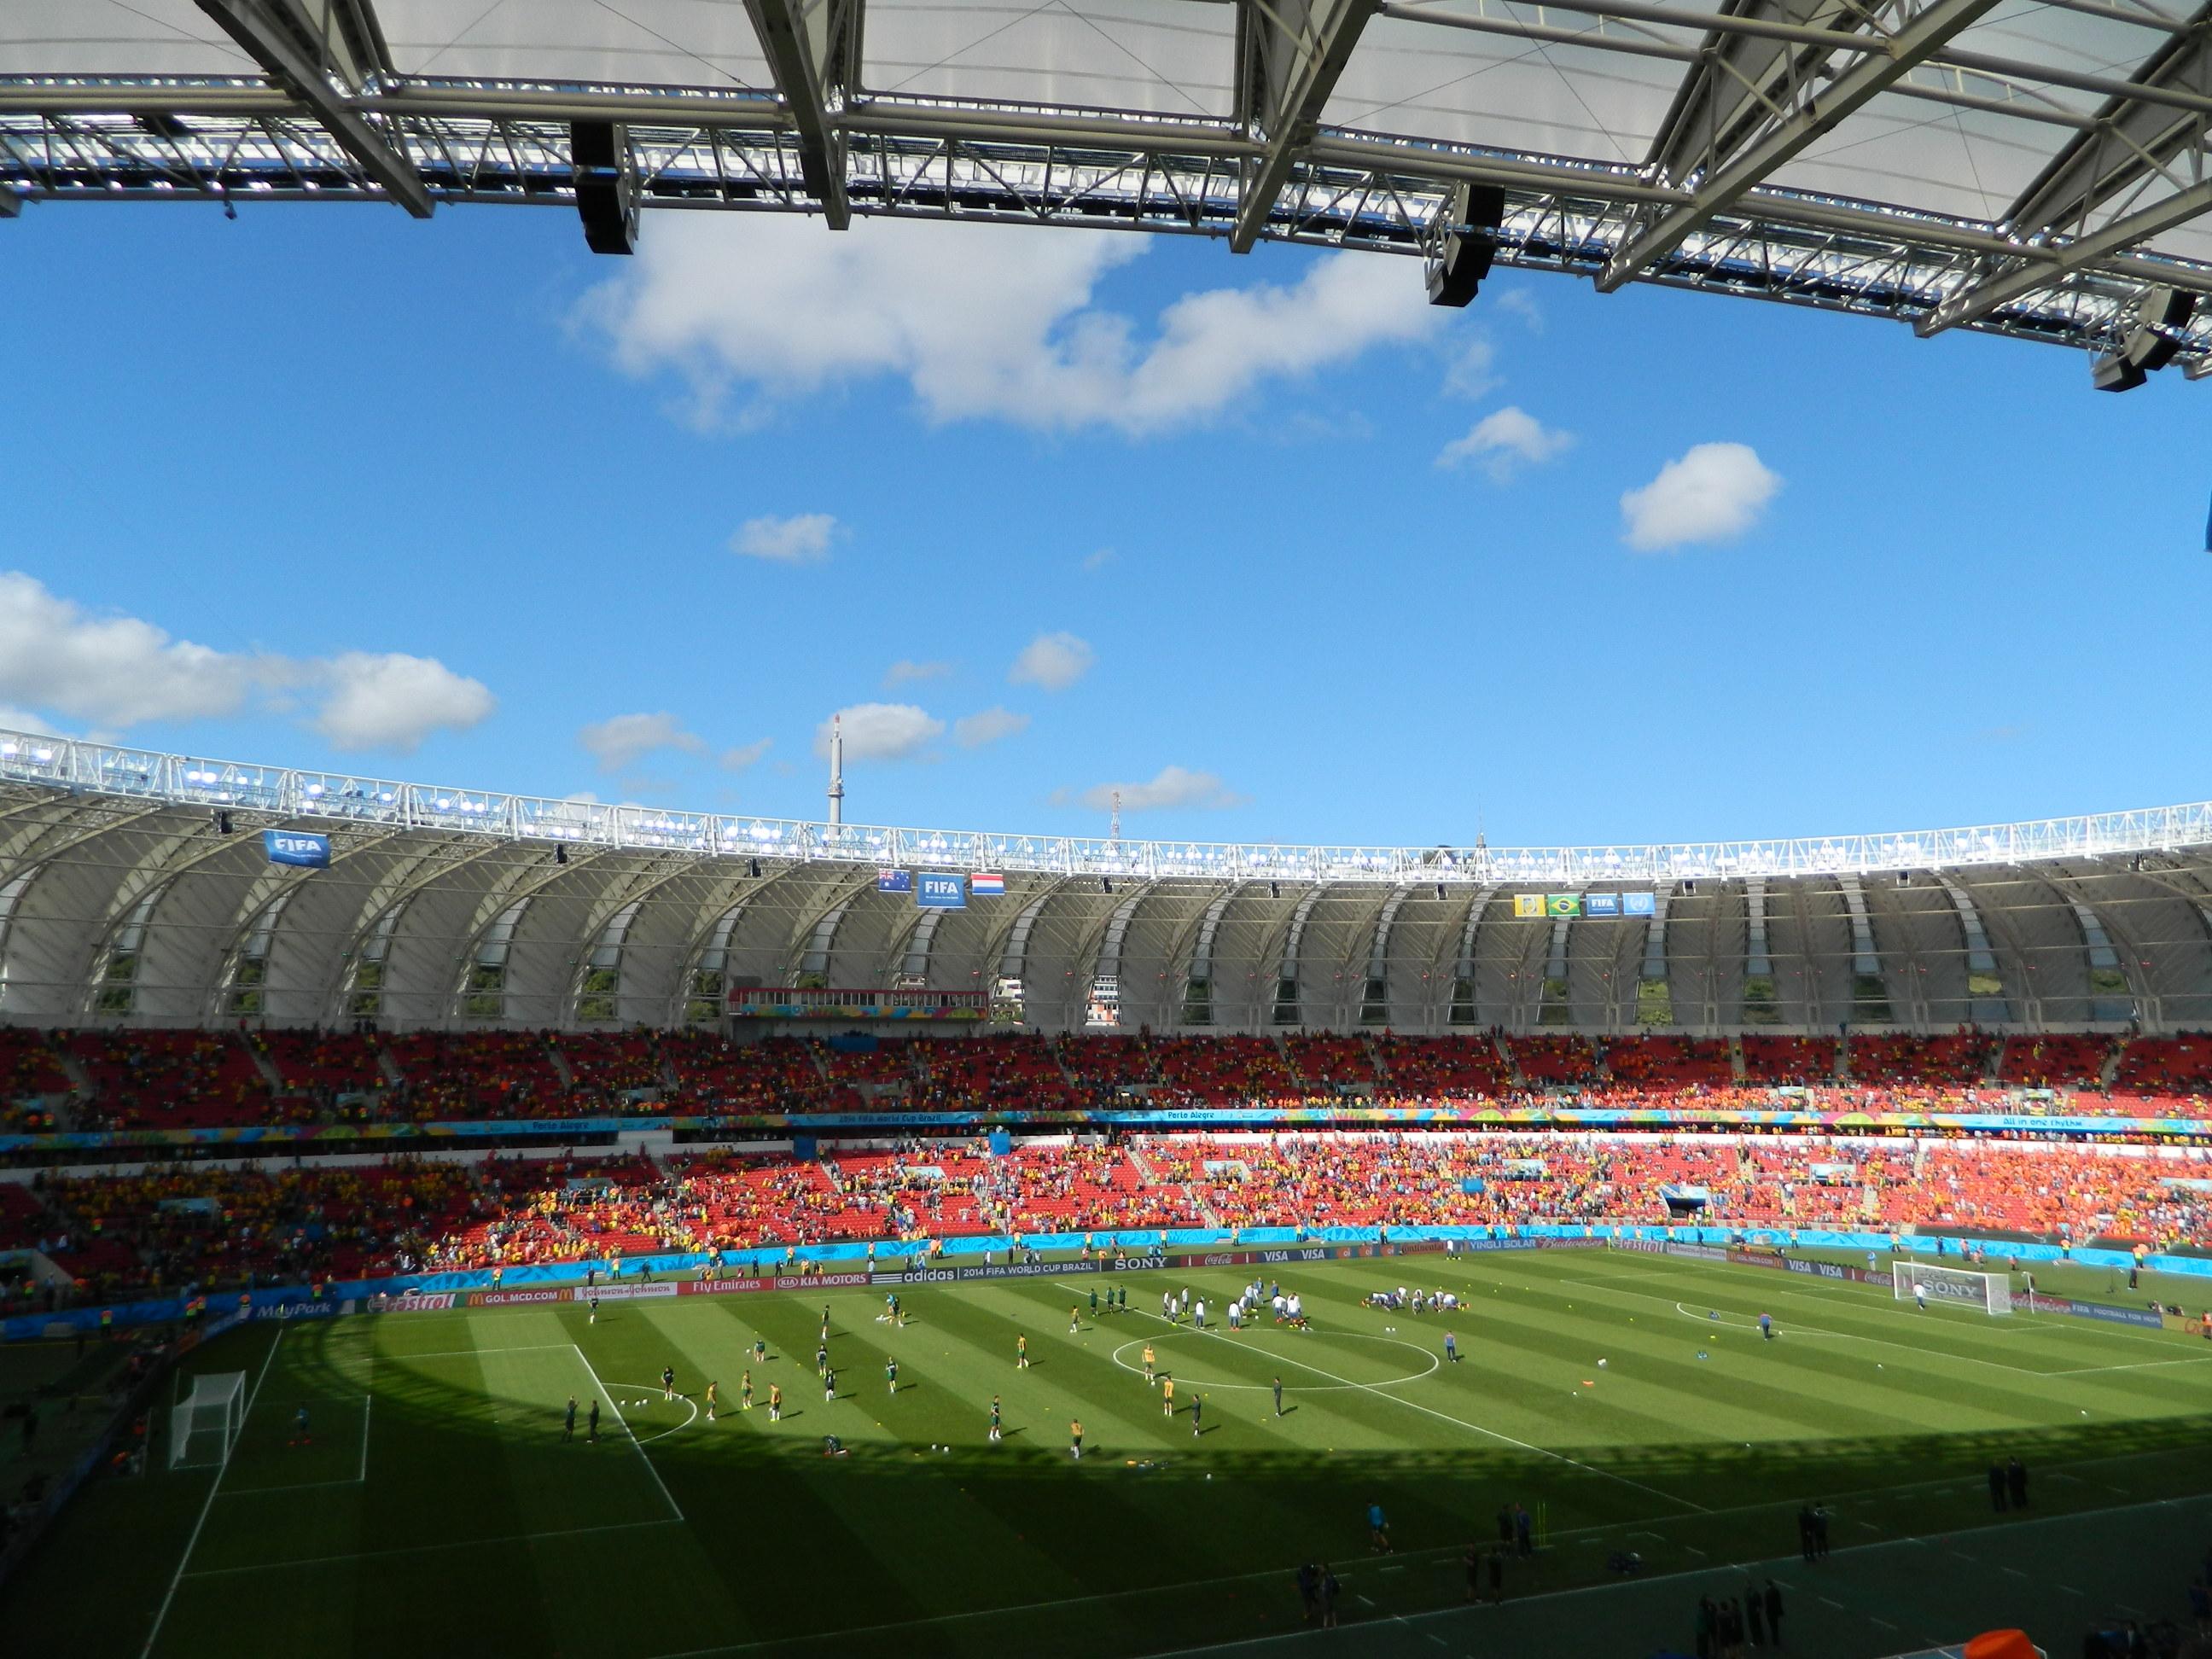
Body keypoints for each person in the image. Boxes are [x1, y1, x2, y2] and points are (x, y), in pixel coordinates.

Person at [1763, 1579, 1784, 1646]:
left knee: (1772, 1627)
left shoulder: (1767, 1592)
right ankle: (1776, 1639)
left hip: (1770, 1612)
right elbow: (1779, 1601)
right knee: (1776, 1626)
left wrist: (1766, 1612)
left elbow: (1767, 1604)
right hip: (1775, 1612)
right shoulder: (1776, 1590)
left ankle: (1774, 1640)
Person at [1318, 1564, 1340, 1628]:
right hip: (1328, 1594)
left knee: (1327, 1609)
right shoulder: (1327, 1575)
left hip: (1328, 1595)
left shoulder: (1327, 1576)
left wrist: (1324, 1591)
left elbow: (1328, 1585)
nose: (1320, 1569)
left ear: (1325, 1568)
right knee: (1330, 1609)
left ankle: (1326, 1625)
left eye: (1322, 1568)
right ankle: (1334, 1624)